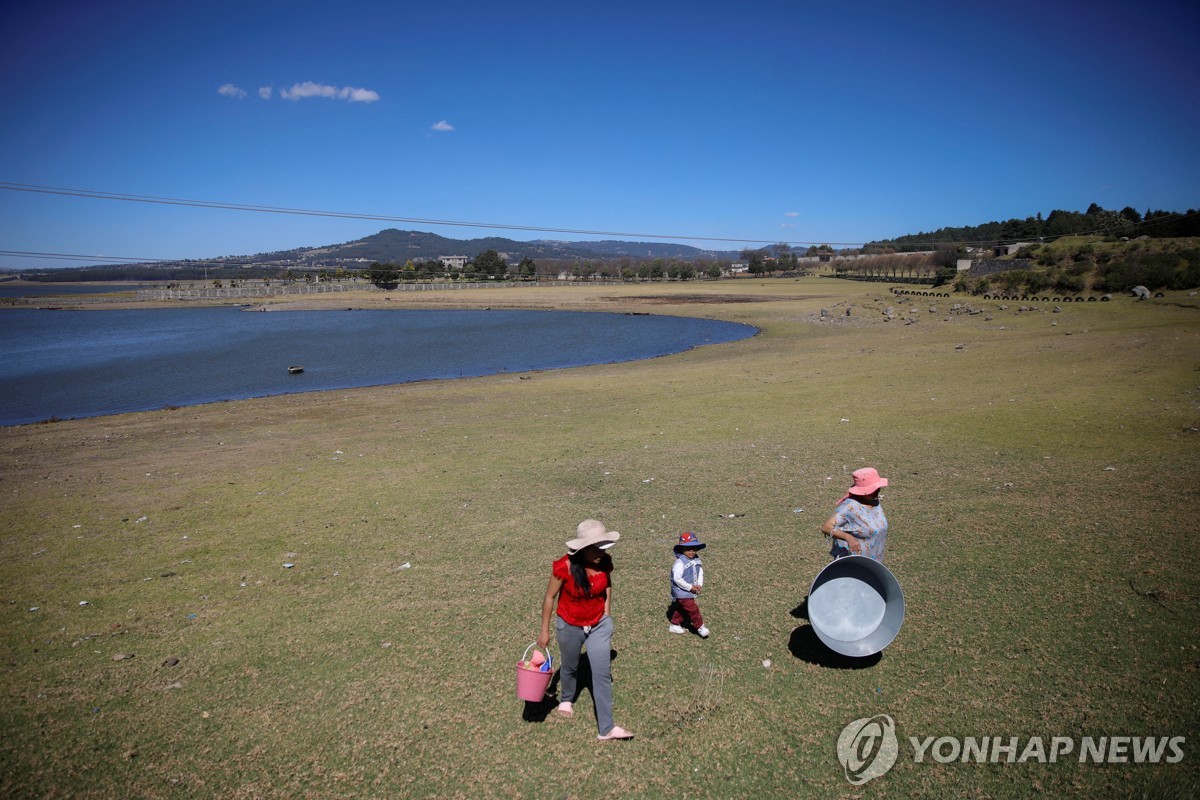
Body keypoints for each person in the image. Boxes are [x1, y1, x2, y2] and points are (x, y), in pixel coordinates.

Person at [537, 519, 634, 741]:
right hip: (569, 624)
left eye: (603, 546)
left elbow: (607, 585)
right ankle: (566, 699)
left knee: (601, 674)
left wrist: (607, 614)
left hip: (599, 624)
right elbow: (549, 597)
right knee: (570, 666)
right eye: (596, 548)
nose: (602, 552)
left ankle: (606, 728)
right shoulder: (564, 567)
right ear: (582, 549)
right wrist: (544, 630)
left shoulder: (604, 562)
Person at [820, 467, 889, 562]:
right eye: (873, 489)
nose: (877, 491)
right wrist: (848, 538)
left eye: (877, 488)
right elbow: (826, 527)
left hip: (873, 564)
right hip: (853, 565)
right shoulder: (850, 507)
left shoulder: (874, 501)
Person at [667, 531, 709, 638]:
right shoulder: (679, 563)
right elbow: (677, 579)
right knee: (693, 609)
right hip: (682, 591)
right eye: (687, 548)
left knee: (682, 608)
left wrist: (699, 584)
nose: (691, 551)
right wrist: (690, 587)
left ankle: (675, 624)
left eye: (694, 548)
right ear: (681, 549)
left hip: (690, 590)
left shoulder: (696, 560)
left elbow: (700, 572)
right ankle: (700, 626)